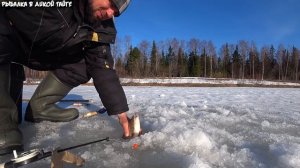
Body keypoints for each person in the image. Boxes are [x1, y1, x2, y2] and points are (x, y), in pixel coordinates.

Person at [0, 0, 134, 156]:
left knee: (86, 64)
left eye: (115, 12)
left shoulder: (102, 28)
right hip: (13, 41)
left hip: (45, 54)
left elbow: (101, 66)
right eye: (111, 3)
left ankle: (40, 107)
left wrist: (120, 112)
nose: (110, 13)